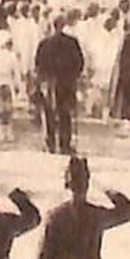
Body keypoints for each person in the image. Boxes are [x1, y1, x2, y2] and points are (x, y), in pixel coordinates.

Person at [35, 155, 130, 259]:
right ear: (87, 184)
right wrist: (106, 189)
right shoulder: (96, 215)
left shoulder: (55, 217)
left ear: (67, 184)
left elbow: (43, 258)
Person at [34, 15, 85, 155]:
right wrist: (74, 76)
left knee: (49, 112)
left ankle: (50, 143)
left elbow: (38, 64)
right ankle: (65, 144)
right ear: (63, 26)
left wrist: (41, 81)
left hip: (50, 82)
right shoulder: (72, 42)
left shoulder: (44, 43)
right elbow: (79, 62)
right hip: (67, 82)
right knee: (65, 113)